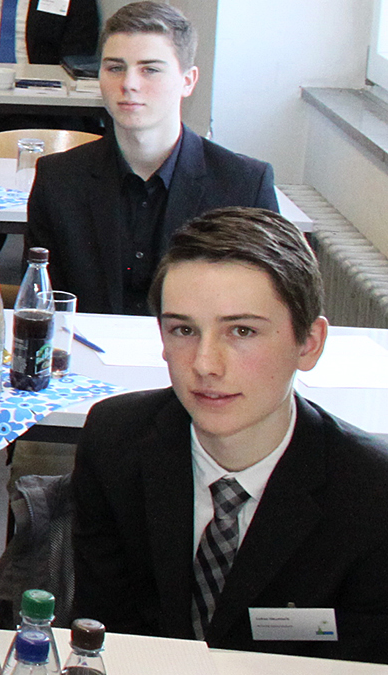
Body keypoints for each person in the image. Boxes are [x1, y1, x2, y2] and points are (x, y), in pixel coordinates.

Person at [71, 207, 388, 661]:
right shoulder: (117, 442)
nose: (204, 364)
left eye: (241, 330)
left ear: (309, 343)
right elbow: (109, 630)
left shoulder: (372, 496)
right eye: (183, 329)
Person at [28, 1, 277, 317]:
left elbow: (265, 309)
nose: (129, 83)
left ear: (188, 81)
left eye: (150, 69)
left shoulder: (244, 185)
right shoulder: (58, 179)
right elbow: (41, 304)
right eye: (115, 67)